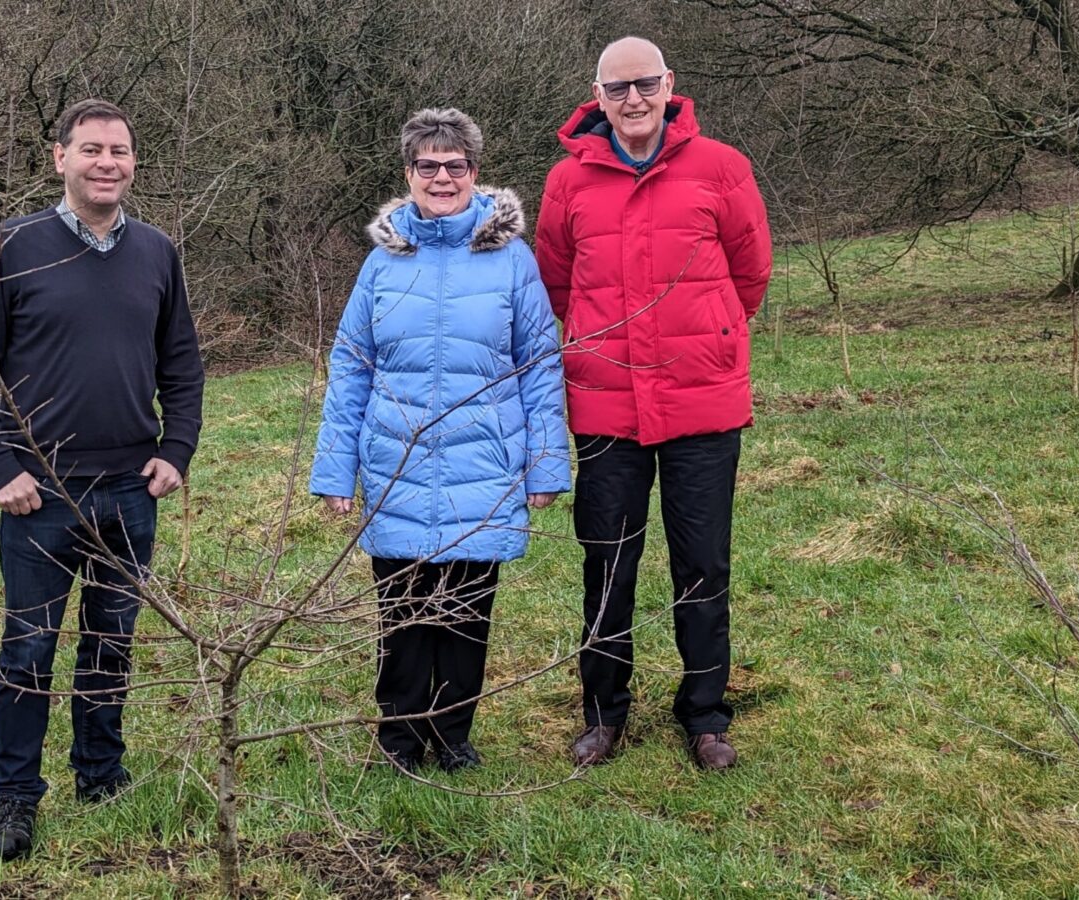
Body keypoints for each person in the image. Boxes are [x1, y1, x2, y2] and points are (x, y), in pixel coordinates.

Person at [0, 98, 205, 860]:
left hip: (131, 485)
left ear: (133, 163)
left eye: (120, 151)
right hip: (41, 495)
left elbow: (182, 362)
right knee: (28, 652)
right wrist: (0, 466)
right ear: (59, 157)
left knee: (111, 641)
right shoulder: (8, 247)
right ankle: (14, 800)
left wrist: (176, 450)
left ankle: (101, 771)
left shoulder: (157, 251)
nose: (107, 163)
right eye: (91, 149)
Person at [535, 37, 772, 770]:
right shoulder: (568, 181)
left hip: (702, 404)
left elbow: (751, 271)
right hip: (608, 410)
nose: (632, 100)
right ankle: (604, 714)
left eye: (644, 85)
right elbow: (556, 282)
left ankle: (705, 717)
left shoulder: (722, 168)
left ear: (669, 85)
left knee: (703, 566)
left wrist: (713, 336)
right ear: (596, 95)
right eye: (617, 88)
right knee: (607, 565)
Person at [311, 108, 570, 775]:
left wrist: (545, 462)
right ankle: (399, 741)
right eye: (429, 165)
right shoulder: (381, 263)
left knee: (463, 615)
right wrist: (335, 471)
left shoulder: (513, 261)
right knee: (401, 616)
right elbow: (351, 367)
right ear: (409, 174)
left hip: (483, 464)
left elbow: (540, 365)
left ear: (475, 174)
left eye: (455, 165)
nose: (443, 176)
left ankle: (452, 737)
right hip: (395, 464)